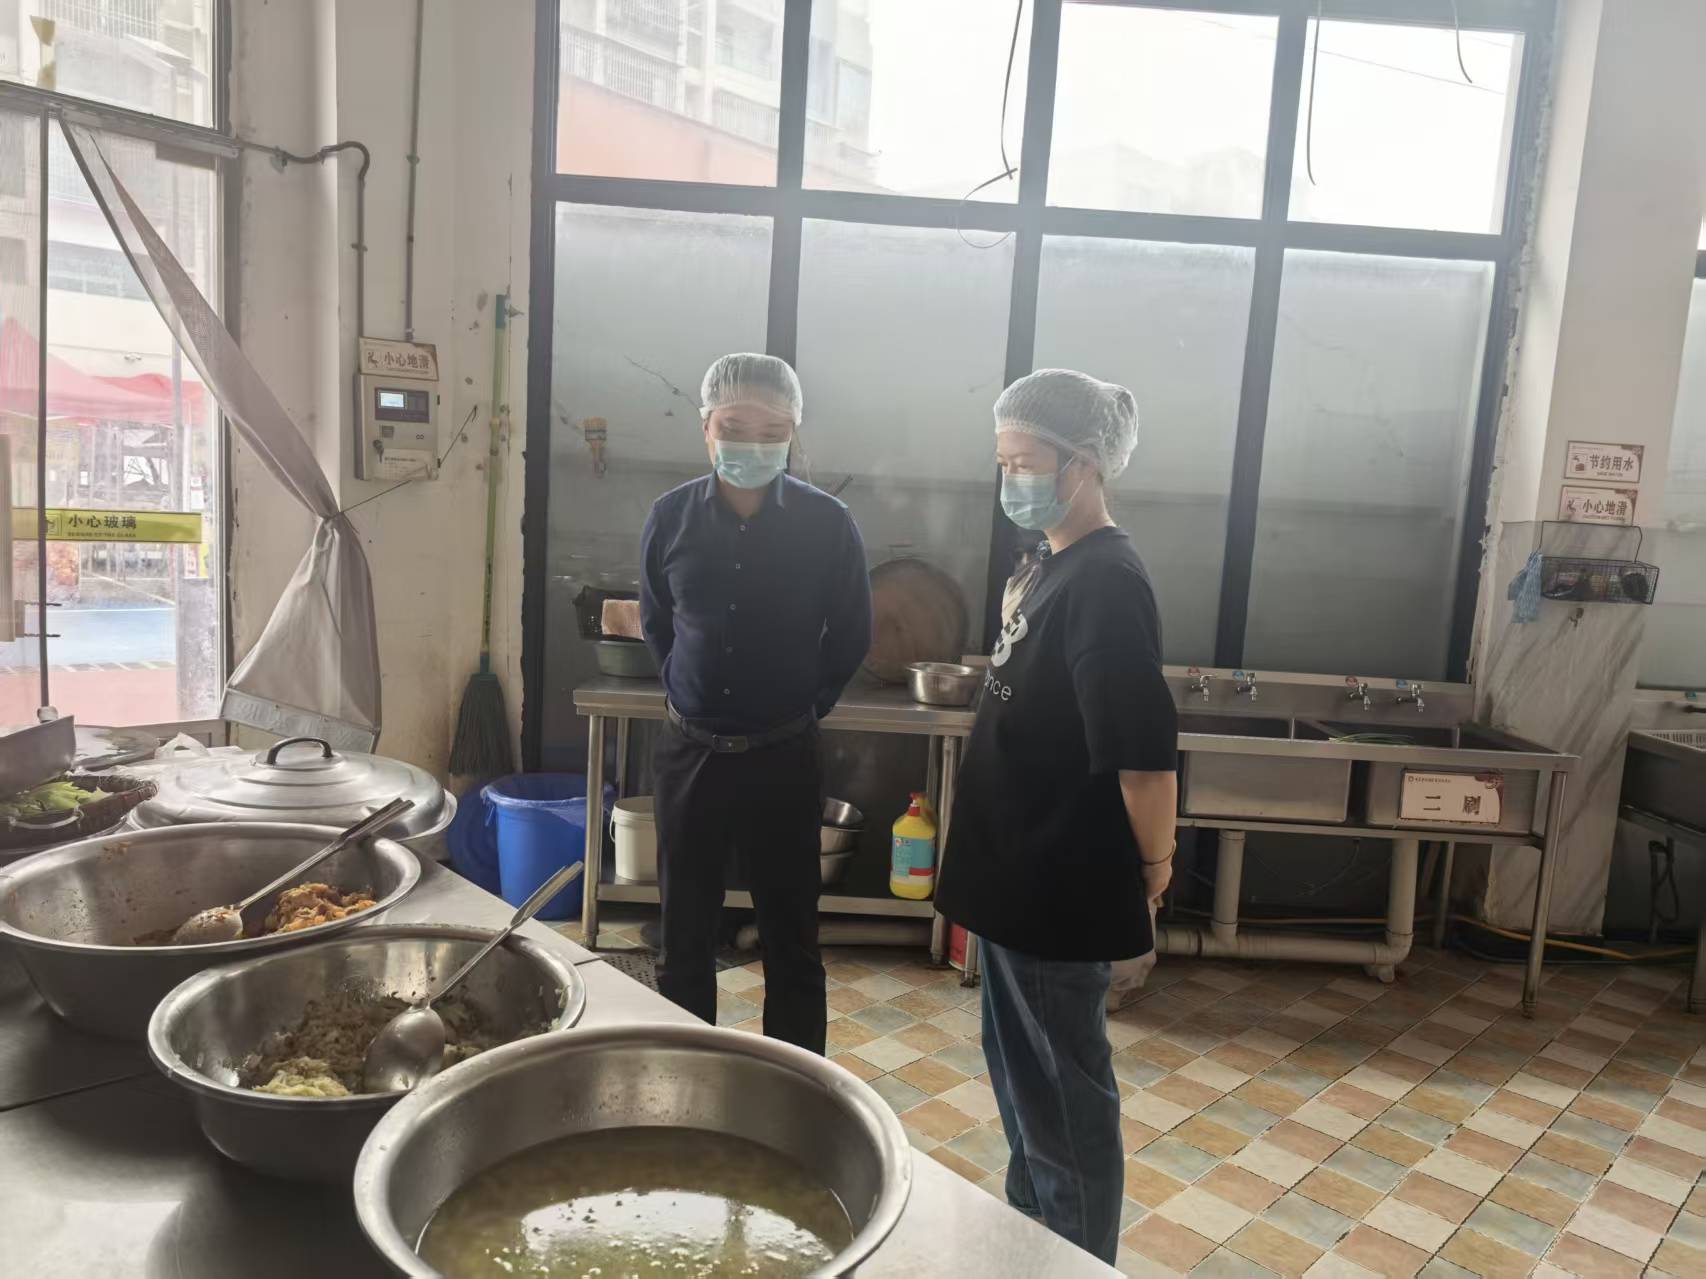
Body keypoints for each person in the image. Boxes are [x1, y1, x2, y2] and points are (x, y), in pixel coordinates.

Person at [935, 368, 1177, 1263]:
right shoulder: (1054, 563)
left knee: (1066, 1104)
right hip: (1017, 884)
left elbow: (1143, 758)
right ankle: (1033, 1244)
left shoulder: (1107, 581)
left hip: (1057, 890)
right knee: (1026, 1090)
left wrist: (1154, 867)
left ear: (1085, 464)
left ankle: (1075, 1259)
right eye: (1003, 462)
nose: (1012, 479)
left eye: (1026, 462)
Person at [639, 353, 872, 1054]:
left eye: (772, 431)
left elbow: (852, 634)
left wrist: (804, 705)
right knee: (684, 938)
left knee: (792, 939)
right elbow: (656, 620)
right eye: (734, 427)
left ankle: (796, 1087)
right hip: (691, 755)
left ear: (793, 432)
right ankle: (684, 1081)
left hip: (783, 757)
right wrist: (687, 685)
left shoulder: (828, 525)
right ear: (706, 428)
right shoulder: (670, 517)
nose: (752, 444)